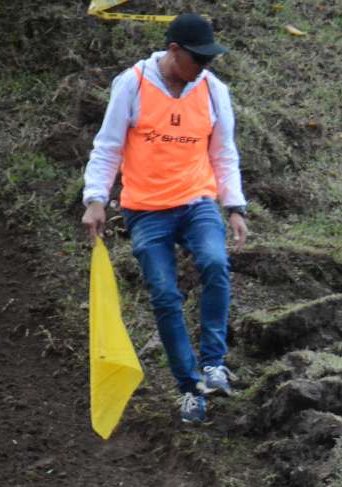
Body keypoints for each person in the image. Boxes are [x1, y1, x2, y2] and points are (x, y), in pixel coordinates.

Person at [82, 12, 247, 425]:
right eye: (199, 58)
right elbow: (108, 146)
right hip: (146, 210)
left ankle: (213, 364)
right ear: (174, 51)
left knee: (214, 261)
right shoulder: (133, 84)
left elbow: (224, 152)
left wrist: (235, 206)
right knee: (164, 295)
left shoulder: (212, 90)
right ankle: (189, 389)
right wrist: (96, 199)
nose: (205, 66)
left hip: (197, 202)